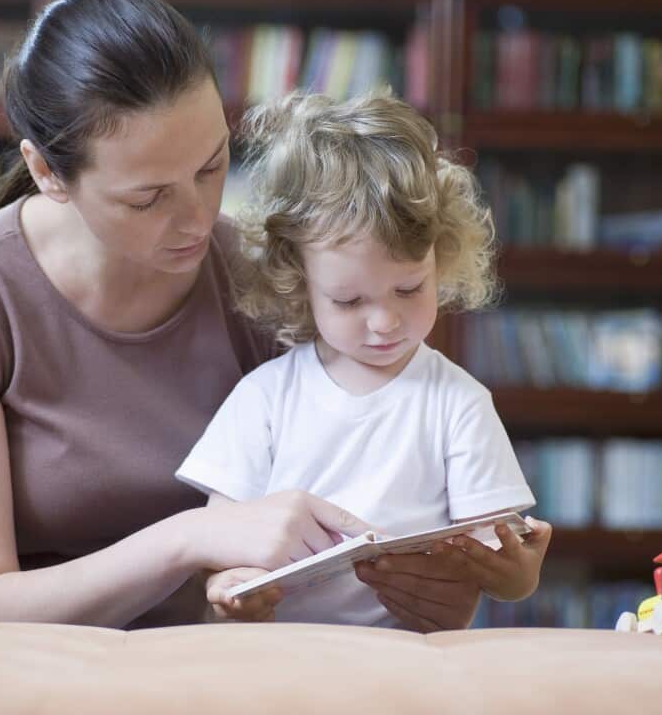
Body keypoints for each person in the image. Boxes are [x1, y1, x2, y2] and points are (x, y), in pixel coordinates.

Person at [0, 0, 483, 632]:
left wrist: (426, 589)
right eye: (148, 198)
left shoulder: (262, 274)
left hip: (196, 667)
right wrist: (191, 538)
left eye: (212, 167)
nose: (199, 218)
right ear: (46, 172)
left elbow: (339, 507)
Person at [175, 90, 552, 629]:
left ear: (440, 259)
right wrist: (228, 586)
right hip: (283, 655)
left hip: (410, 660)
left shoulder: (458, 403)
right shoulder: (265, 397)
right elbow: (217, 547)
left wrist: (518, 573)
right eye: (349, 301)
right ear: (297, 281)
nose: (384, 322)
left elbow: (504, 573)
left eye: (408, 288)